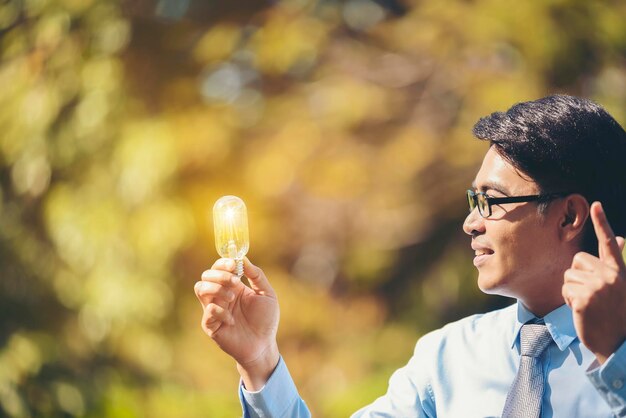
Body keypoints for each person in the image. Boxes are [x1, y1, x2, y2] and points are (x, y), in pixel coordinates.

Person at [194, 95, 626, 417]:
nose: (470, 224)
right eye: (473, 202)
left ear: (569, 216)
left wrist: (616, 359)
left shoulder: (619, 356)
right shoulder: (448, 357)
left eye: (491, 201)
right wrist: (259, 361)